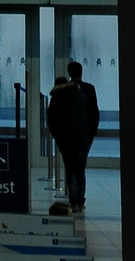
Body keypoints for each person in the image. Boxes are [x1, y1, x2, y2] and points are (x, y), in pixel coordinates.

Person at [47, 61, 100, 212]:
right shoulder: (87, 91)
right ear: (81, 72)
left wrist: (56, 135)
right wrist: (91, 133)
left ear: (69, 73)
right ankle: (81, 201)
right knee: (80, 170)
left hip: (65, 139)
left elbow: (51, 117)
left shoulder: (58, 94)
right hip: (83, 138)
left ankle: (74, 201)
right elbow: (94, 114)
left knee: (70, 170)